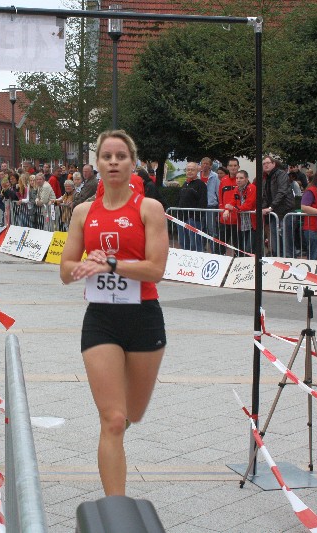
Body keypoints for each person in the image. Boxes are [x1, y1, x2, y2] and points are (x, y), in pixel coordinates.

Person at [59, 129, 169, 496]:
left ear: (132, 163)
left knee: (132, 414)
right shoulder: (83, 212)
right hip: (101, 320)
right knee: (114, 420)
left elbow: (155, 269)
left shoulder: (149, 209)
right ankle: (115, 506)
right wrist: (84, 266)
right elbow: (65, 271)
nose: (113, 162)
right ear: (97, 163)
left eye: (121, 156)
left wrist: (111, 264)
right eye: (106, 156)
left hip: (144, 317)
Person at [260, 155, 295, 257]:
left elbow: (282, 192)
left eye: (267, 163)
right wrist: (263, 208)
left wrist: (271, 207)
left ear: (273, 164)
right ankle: (277, 259)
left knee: (287, 241)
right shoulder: (265, 179)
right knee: (275, 241)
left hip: (285, 212)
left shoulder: (281, 174)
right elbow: (265, 196)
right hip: (274, 213)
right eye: (263, 164)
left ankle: (289, 261)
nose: (265, 165)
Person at [177, 161, 207, 251]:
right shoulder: (185, 184)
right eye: (188, 169)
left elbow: (203, 202)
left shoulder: (201, 184)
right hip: (182, 218)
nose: (190, 171)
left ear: (197, 171)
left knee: (195, 244)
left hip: (193, 219)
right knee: (183, 243)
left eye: (192, 170)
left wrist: (196, 217)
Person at [231, 170, 257, 256]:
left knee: (249, 249)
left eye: (241, 178)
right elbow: (233, 201)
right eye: (237, 178)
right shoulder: (236, 189)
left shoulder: (252, 188)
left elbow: (248, 205)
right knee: (243, 248)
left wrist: (234, 208)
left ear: (246, 179)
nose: (238, 180)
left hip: (253, 223)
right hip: (242, 223)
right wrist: (227, 209)